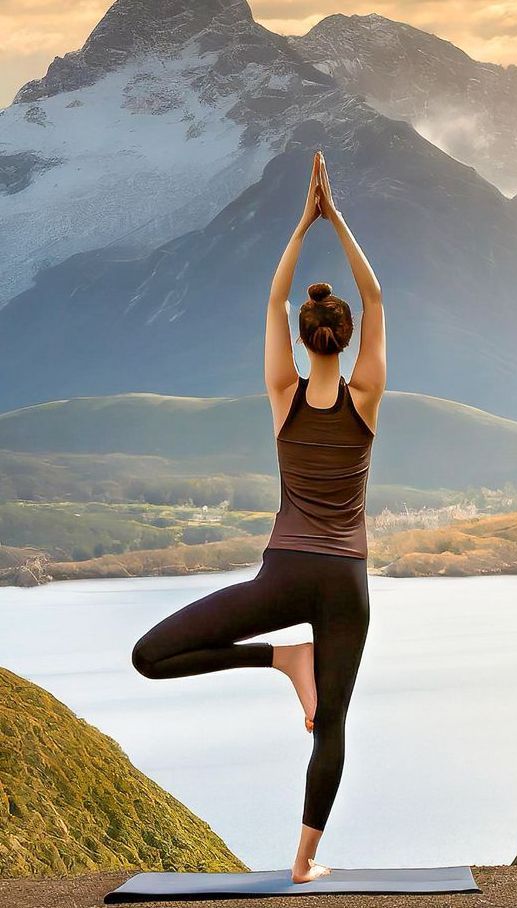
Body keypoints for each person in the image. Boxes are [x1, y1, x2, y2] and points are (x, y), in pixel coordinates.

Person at [131, 151, 386, 883]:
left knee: (152, 658)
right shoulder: (364, 396)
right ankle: (304, 864)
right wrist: (337, 219)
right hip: (346, 582)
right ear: (342, 335)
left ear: (307, 338)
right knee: (331, 725)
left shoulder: (283, 393)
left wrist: (302, 226)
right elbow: (376, 298)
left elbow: (273, 302)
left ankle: (279, 659)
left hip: (283, 574)